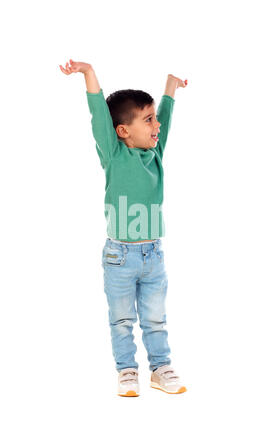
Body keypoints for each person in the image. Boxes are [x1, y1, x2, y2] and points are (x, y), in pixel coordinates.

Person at [59, 60, 188, 397]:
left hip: (153, 254)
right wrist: (88, 75)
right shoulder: (114, 156)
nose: (157, 125)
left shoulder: (155, 153)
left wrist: (170, 88)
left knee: (155, 318)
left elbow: (168, 121)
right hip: (119, 256)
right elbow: (99, 117)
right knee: (121, 320)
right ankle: (127, 370)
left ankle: (160, 368)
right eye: (148, 120)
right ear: (122, 131)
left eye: (155, 118)